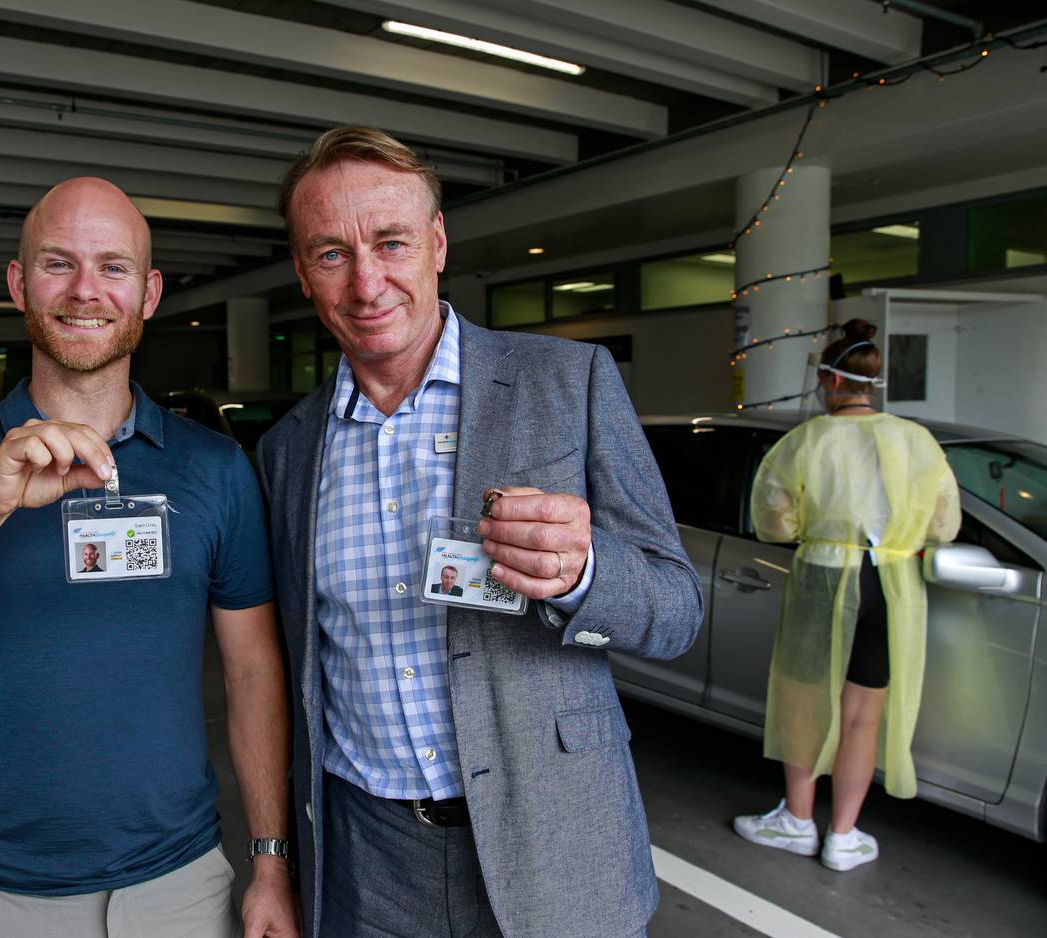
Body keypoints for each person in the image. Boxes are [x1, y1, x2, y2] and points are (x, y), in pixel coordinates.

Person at [0, 178, 297, 938]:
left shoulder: (215, 469)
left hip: (181, 891)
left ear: (149, 293)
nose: (85, 290)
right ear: (18, 283)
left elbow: (253, 673)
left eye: (113, 267)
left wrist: (270, 860)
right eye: (58, 263)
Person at [256, 126, 702, 938]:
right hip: (366, 865)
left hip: (556, 842)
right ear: (302, 271)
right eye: (331, 254)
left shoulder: (567, 382)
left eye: (391, 243)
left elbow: (676, 610)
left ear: (436, 243)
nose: (367, 282)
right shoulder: (287, 452)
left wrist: (583, 573)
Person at [734, 319, 960, 872]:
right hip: (891, 584)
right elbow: (944, 525)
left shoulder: (805, 440)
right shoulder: (917, 440)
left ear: (831, 381)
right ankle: (843, 836)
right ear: (869, 383)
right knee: (863, 715)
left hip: (825, 573)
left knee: (803, 701)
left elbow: (774, 522)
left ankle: (796, 821)